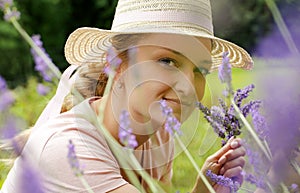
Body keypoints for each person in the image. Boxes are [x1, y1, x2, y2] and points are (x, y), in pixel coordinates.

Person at [1, 0, 252, 192]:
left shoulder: (158, 138)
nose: (187, 86)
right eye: (167, 61)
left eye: (201, 70)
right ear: (116, 62)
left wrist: (205, 187)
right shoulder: (70, 150)